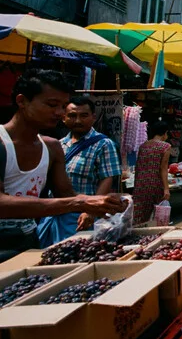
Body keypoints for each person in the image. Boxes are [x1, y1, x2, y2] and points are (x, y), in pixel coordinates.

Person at [0, 70, 124, 292]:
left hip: (25, 246)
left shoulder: (51, 147)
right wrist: (81, 203)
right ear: (22, 101)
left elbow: (67, 195)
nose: (59, 113)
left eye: (63, 106)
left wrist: (103, 202)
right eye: (52, 104)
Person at [38, 94, 122, 247]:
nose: (78, 120)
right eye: (72, 115)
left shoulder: (103, 144)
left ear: (93, 117)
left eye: (84, 116)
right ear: (64, 118)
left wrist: (91, 211)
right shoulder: (58, 145)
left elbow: (107, 179)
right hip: (56, 213)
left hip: (81, 216)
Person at [132, 119, 172, 225]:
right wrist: (166, 189)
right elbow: (163, 168)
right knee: (158, 215)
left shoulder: (143, 146)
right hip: (155, 184)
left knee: (140, 215)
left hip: (140, 184)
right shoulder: (165, 146)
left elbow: (139, 166)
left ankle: (138, 234)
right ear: (165, 133)